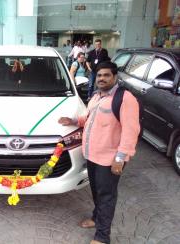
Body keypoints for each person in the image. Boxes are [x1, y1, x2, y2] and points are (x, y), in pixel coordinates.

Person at [58, 61, 140, 244]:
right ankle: (96, 218)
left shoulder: (125, 99)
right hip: (92, 155)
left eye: (106, 75)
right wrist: (71, 120)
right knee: (96, 191)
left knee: (107, 195)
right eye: (100, 75)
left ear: (115, 77)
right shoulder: (96, 97)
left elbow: (131, 131)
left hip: (109, 159)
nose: (102, 79)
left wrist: (120, 158)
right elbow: (89, 118)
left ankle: (103, 237)